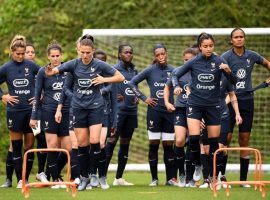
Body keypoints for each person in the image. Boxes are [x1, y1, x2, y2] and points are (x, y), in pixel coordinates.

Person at [44, 35, 124, 191]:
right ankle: (84, 177)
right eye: (83, 52)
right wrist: (49, 70)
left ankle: (94, 175)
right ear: (79, 51)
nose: (85, 55)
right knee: (82, 144)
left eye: (88, 52)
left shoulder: (100, 65)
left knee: (95, 141)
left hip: (95, 107)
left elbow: (119, 77)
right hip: (78, 108)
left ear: (92, 51)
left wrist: (104, 80)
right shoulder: (73, 64)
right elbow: (53, 71)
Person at [171, 33, 237, 186]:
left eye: (211, 46)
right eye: (205, 46)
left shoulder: (220, 61)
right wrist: (175, 86)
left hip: (213, 106)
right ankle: (198, 165)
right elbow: (175, 74)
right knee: (194, 139)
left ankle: (215, 177)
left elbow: (234, 82)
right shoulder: (194, 61)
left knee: (214, 143)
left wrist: (228, 71)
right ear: (200, 47)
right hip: (195, 104)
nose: (208, 49)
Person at [221, 28, 270, 187]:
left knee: (244, 139)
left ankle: (243, 180)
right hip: (229, 100)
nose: (239, 39)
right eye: (236, 37)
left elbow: (267, 64)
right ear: (231, 40)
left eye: (241, 36)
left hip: (247, 101)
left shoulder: (252, 55)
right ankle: (222, 176)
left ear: (244, 39)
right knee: (226, 138)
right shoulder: (226, 57)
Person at [129, 44, 175, 186]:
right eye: (158, 55)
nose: (161, 57)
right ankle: (154, 179)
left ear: (166, 53)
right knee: (154, 144)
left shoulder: (174, 71)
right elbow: (132, 83)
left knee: (168, 145)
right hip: (154, 112)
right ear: (154, 57)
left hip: (169, 112)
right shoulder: (150, 70)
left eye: (163, 54)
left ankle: (170, 179)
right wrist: (144, 98)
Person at [30, 41, 72, 189]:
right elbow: (37, 94)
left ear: (62, 56)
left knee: (68, 147)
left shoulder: (67, 70)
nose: (55, 59)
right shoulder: (42, 72)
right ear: (48, 57)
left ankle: (51, 174)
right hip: (48, 112)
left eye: (57, 56)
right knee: (52, 145)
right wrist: (34, 116)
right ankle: (56, 178)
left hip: (66, 112)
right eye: (52, 56)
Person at [0, 35, 40, 188]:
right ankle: (19, 180)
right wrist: (3, 96)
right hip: (14, 112)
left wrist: (40, 96)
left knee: (29, 146)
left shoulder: (31, 65)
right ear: (12, 52)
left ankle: (26, 179)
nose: (21, 56)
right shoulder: (6, 68)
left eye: (23, 53)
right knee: (16, 147)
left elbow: (45, 80)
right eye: (18, 53)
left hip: (32, 112)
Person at [164, 47, 198, 187]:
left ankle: (190, 176)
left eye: (189, 60)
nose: (186, 62)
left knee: (193, 142)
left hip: (195, 110)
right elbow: (167, 88)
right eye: (185, 60)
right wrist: (167, 102)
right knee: (179, 141)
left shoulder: (199, 73)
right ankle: (182, 175)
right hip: (180, 109)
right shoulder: (177, 72)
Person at [105, 44, 139, 186]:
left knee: (125, 144)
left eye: (130, 52)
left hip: (131, 112)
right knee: (111, 142)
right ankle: (101, 176)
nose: (129, 54)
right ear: (119, 54)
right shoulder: (113, 70)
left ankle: (118, 178)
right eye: (126, 52)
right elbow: (104, 87)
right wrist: (113, 95)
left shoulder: (134, 70)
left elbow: (134, 87)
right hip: (117, 112)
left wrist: (136, 95)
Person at [87, 49, 118, 189]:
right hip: (90, 114)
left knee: (101, 144)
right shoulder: (86, 75)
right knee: (90, 145)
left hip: (105, 115)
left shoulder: (110, 80)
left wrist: (114, 121)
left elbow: (114, 102)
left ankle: (102, 177)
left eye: (103, 61)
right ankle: (90, 175)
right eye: (98, 60)